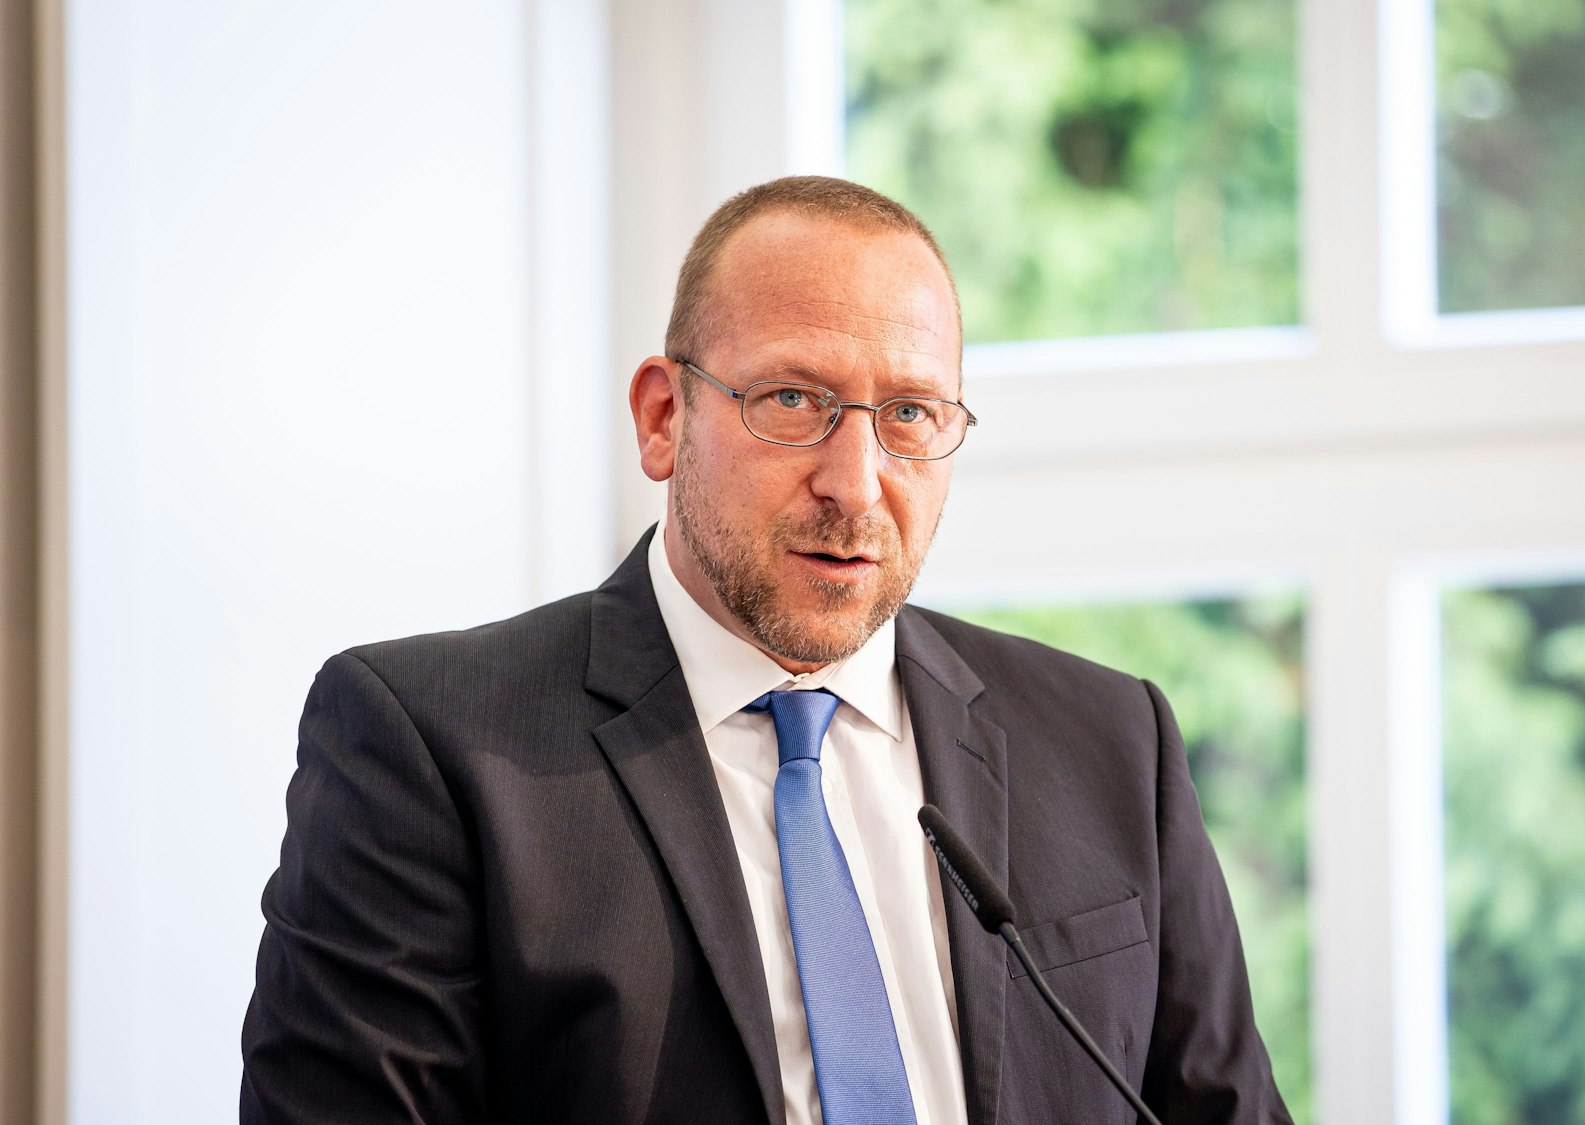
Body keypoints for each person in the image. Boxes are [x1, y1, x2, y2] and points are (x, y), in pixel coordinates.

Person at [240, 176, 1289, 1125]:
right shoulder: (429, 744)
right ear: (664, 418)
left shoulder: (1110, 741)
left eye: (910, 413)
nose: (855, 482)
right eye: (794, 400)